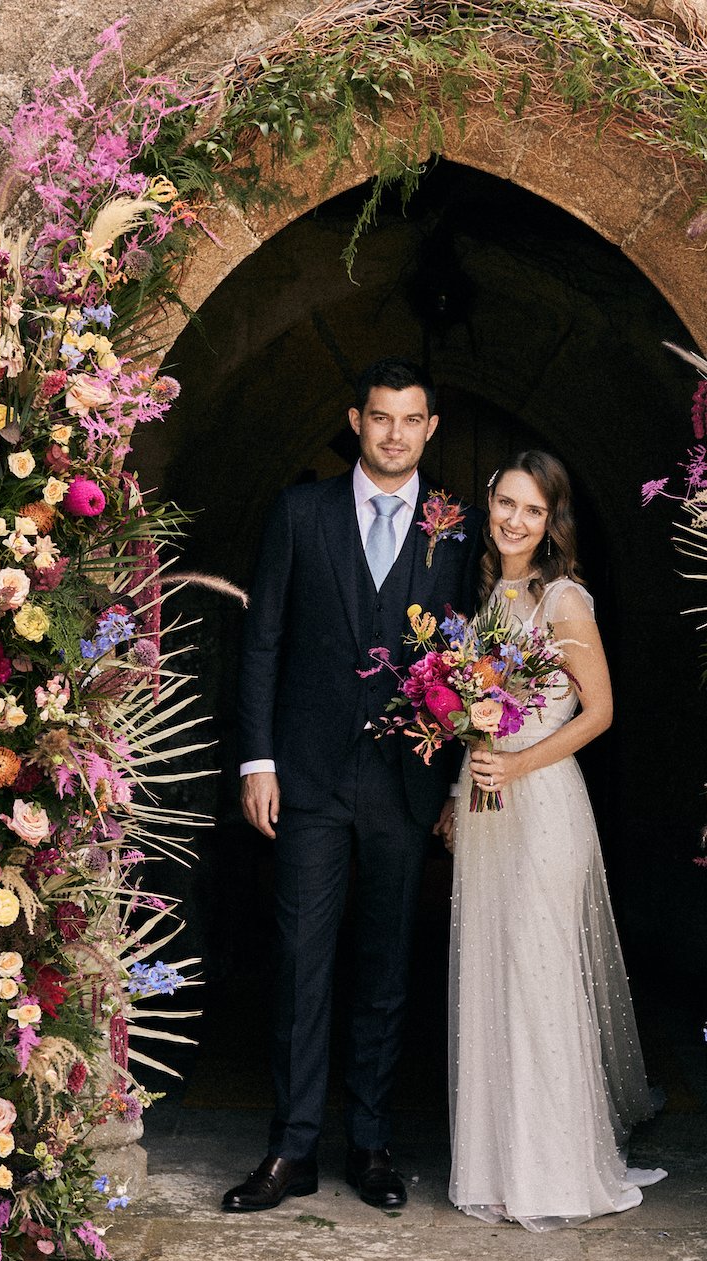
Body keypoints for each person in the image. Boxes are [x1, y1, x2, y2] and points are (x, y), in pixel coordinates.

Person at [226, 357, 480, 1213]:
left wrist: (454, 779)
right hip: (306, 779)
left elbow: (477, 660)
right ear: (355, 420)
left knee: (385, 965)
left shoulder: (458, 527)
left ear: (431, 427)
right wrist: (257, 760)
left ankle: (371, 1143)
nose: (395, 432)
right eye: (380, 417)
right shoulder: (302, 513)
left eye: (411, 419)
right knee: (300, 961)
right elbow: (261, 641)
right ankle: (291, 1151)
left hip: (406, 786)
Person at [439, 448, 664, 1229]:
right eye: (505, 502)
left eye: (532, 509)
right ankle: (500, 1166)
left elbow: (597, 712)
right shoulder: (480, 598)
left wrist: (515, 764)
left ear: (552, 521)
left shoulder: (563, 599)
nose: (514, 520)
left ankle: (556, 1171)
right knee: (491, 977)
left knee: (538, 978)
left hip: (543, 805)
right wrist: (457, 789)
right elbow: (472, 715)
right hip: (484, 807)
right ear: (490, 503)